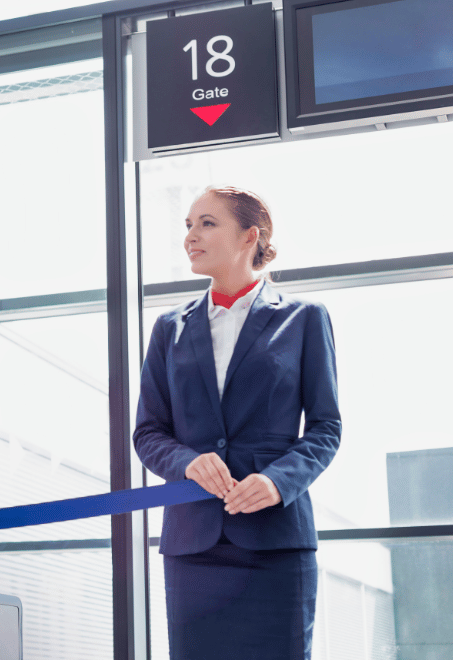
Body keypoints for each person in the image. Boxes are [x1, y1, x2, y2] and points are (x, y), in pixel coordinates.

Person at [133, 186, 341, 659]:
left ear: (250, 237)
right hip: (193, 548)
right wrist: (187, 462)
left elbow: (326, 427)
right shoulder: (171, 327)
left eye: (207, 223)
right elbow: (148, 432)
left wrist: (277, 482)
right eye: (188, 225)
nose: (190, 236)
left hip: (275, 541)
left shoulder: (304, 319)